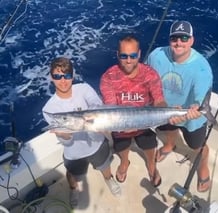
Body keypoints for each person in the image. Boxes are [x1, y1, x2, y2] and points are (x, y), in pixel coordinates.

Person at [42, 57, 121, 208]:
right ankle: (74, 189)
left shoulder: (84, 88)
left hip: (97, 144)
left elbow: (95, 104)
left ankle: (109, 179)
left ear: (73, 75)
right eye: (58, 76)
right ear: (51, 77)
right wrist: (64, 136)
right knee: (73, 175)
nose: (63, 80)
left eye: (67, 75)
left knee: (104, 165)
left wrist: (96, 115)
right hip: (73, 152)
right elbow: (66, 141)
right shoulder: (49, 109)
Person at [146, 20, 213, 193]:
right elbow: (148, 79)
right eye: (175, 38)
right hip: (164, 110)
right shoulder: (156, 55)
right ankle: (170, 145)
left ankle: (203, 166)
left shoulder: (202, 69)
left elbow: (198, 104)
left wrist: (191, 112)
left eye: (184, 38)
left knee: (197, 147)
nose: (179, 43)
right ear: (169, 39)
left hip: (191, 119)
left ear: (191, 40)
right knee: (169, 130)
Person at [100, 35, 167, 187]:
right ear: (118, 55)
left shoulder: (150, 74)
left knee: (149, 145)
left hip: (145, 123)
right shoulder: (108, 77)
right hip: (120, 125)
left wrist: (167, 112)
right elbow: (111, 106)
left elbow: (159, 100)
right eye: (124, 56)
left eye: (133, 55)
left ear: (139, 54)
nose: (128, 60)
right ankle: (125, 162)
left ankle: (151, 165)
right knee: (121, 146)